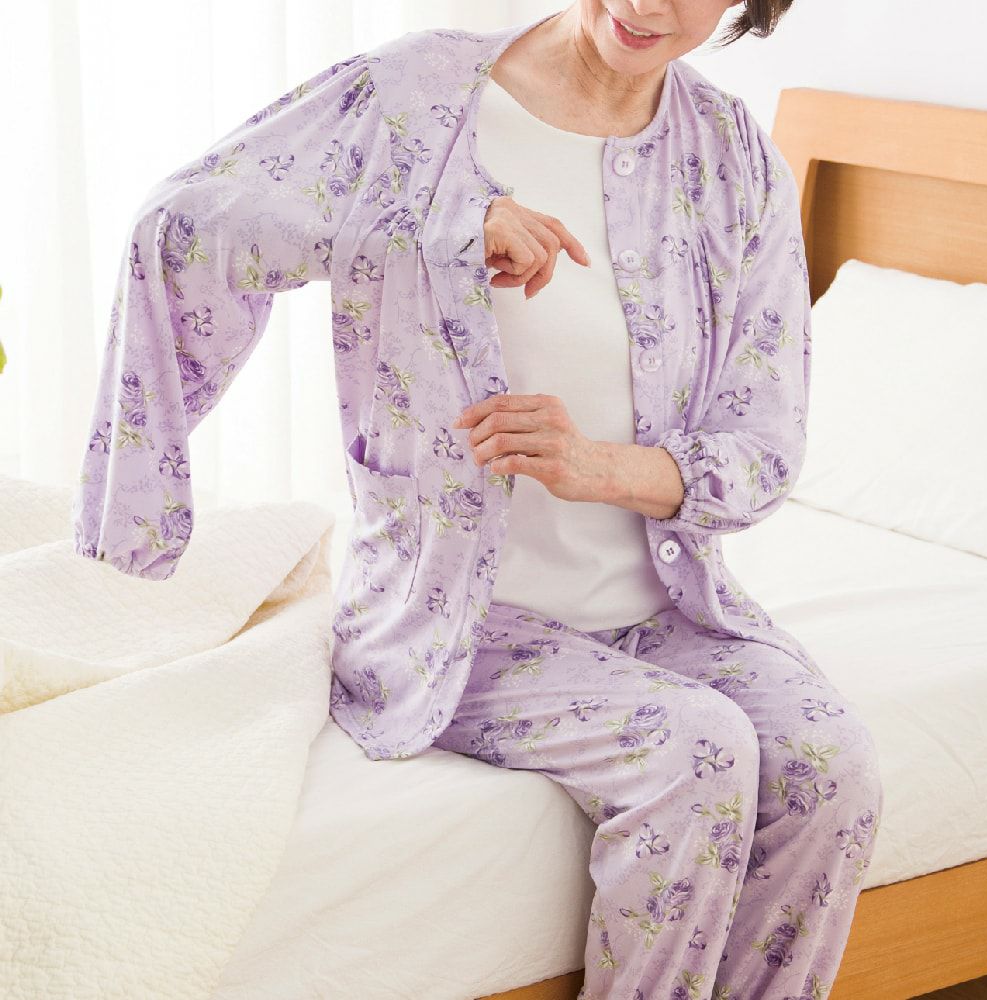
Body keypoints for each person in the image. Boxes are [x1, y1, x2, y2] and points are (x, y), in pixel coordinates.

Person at [71, 3, 884, 998]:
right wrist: (440, 225)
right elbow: (185, 224)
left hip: (667, 612)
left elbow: (764, 443)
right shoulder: (416, 96)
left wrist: (598, 467)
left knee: (831, 766)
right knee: (696, 748)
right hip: (457, 624)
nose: (649, 4)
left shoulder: (731, 157)